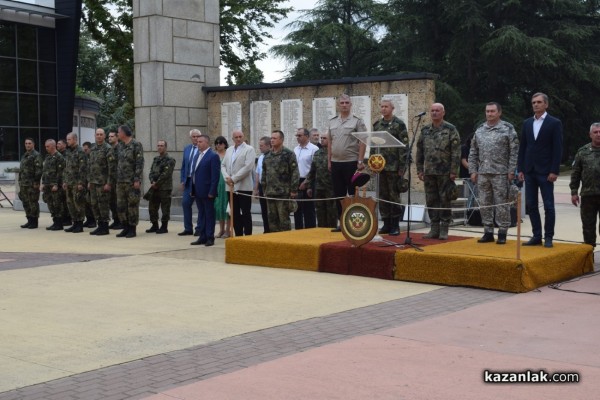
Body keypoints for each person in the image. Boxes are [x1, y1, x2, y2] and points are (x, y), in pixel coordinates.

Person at [517, 92, 563, 248]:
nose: (535, 104)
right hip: (529, 170)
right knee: (531, 205)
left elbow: (557, 148)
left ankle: (548, 237)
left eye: (538, 102)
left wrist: (554, 170)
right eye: (533, 102)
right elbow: (523, 147)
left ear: (546, 104)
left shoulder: (554, 123)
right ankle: (536, 235)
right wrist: (520, 168)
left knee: (549, 206)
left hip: (546, 171)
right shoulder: (527, 123)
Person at [469, 102, 519, 244]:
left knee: (502, 204)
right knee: (484, 204)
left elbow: (514, 151)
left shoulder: (507, 129)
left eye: (492, 111)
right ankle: (488, 231)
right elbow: (473, 152)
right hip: (483, 173)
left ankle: (502, 232)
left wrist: (511, 170)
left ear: (499, 112)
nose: (489, 114)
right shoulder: (480, 130)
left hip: (501, 173)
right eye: (487, 111)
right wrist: (473, 170)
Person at [416, 103, 461, 240]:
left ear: (443, 112)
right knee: (431, 200)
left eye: (437, 110)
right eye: (432, 111)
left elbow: (456, 152)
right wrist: (419, 169)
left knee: (444, 200)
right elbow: (419, 151)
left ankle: (444, 228)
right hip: (429, 172)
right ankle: (434, 228)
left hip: (445, 172)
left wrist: (454, 170)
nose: (434, 113)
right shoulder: (425, 130)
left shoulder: (450, 129)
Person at [327, 94, 367, 231]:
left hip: (351, 161)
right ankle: (342, 222)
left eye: (346, 102)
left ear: (351, 104)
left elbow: (362, 141)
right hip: (336, 162)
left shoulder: (357, 121)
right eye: (342, 103)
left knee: (352, 193)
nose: (344, 105)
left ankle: (354, 223)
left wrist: (360, 160)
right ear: (338, 105)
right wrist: (329, 161)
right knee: (339, 194)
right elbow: (330, 142)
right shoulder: (332, 121)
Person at [372, 99, 409, 236]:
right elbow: (373, 144)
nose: (383, 109)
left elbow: (404, 147)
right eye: (381, 106)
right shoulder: (377, 125)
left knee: (394, 196)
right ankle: (386, 223)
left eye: (386, 106)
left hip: (394, 167)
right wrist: (372, 163)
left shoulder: (399, 124)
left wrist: (402, 166)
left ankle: (395, 225)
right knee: (382, 196)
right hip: (380, 166)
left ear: (392, 108)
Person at [261, 130, 299, 232]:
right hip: (270, 193)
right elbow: (264, 173)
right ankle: (275, 244)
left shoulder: (288, 154)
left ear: (281, 140)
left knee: (284, 221)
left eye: (274, 138)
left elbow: (295, 172)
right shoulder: (267, 156)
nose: (272, 140)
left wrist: (293, 190)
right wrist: (264, 188)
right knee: (272, 221)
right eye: (271, 138)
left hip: (283, 193)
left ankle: (286, 243)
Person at [569, 123, 600, 247]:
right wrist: (574, 192)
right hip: (588, 196)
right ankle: (589, 258)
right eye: (596, 132)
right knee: (588, 228)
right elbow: (575, 173)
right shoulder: (582, 152)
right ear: (590, 135)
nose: (599, 134)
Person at [221, 130, 255, 236]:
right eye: (236, 137)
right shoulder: (230, 150)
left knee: (245, 212)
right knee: (234, 213)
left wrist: (234, 178)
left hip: (244, 186)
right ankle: (238, 234)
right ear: (232, 139)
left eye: (240, 136)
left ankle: (248, 234)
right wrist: (227, 177)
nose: (239, 139)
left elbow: (248, 167)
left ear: (243, 137)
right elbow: (223, 165)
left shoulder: (249, 149)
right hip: (230, 186)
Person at [190, 134, 220, 246]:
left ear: (207, 143)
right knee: (201, 215)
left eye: (200, 142)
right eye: (197, 142)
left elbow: (215, 176)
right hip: (198, 191)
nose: (198, 143)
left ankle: (209, 237)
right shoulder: (197, 156)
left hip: (208, 191)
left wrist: (212, 191)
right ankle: (202, 236)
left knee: (209, 215)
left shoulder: (213, 156)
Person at [115, 125, 144, 238]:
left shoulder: (136, 144)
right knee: (121, 206)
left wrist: (137, 178)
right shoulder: (121, 146)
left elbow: (139, 162)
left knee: (132, 205)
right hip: (120, 181)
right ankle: (125, 227)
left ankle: (132, 228)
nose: (117, 134)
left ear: (123, 133)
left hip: (131, 181)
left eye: (118, 132)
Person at [304, 133, 337, 228]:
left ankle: (331, 232)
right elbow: (312, 171)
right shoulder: (317, 153)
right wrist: (309, 186)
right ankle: (321, 232)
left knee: (331, 212)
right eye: (321, 138)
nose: (321, 140)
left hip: (331, 188)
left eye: (324, 138)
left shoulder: (334, 153)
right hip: (319, 188)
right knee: (320, 211)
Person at [88, 128, 116, 236]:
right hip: (94, 182)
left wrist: (109, 183)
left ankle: (105, 227)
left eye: (101, 134)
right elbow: (90, 166)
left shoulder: (108, 149)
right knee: (94, 204)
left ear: (104, 136)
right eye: (97, 134)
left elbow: (111, 167)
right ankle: (99, 225)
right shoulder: (93, 148)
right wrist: (89, 181)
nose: (99, 136)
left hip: (103, 183)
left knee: (103, 205)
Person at [145, 140, 176, 234]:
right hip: (154, 187)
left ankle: (164, 226)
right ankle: (154, 225)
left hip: (164, 188)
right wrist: (152, 181)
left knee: (165, 208)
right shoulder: (156, 159)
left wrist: (157, 183)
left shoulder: (170, 160)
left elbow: (166, 174)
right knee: (152, 207)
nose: (159, 147)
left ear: (165, 147)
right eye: (158, 145)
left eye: (162, 145)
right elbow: (151, 172)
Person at [62, 132, 88, 233]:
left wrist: (81, 183)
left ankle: (80, 224)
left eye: (69, 139)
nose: (67, 141)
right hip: (69, 182)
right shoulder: (68, 152)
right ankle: (75, 223)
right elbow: (66, 168)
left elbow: (83, 168)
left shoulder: (80, 151)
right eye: (67, 139)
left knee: (78, 203)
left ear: (75, 140)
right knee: (70, 204)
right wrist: (64, 180)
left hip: (77, 183)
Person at [294, 128, 319, 229]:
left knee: (309, 209)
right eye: (297, 136)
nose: (297, 138)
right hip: (296, 180)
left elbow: (315, 168)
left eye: (300, 136)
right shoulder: (296, 149)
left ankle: (310, 231)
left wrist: (308, 183)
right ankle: (298, 230)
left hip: (309, 180)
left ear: (307, 136)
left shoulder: (314, 149)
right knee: (297, 208)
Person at [179, 129, 201, 236]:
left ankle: (199, 228)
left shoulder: (203, 149)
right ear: (191, 138)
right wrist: (182, 180)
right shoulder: (187, 149)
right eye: (194, 137)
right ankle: (188, 228)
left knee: (200, 206)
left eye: (198, 136)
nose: (196, 138)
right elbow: (183, 166)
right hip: (188, 181)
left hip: (199, 182)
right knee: (185, 203)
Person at [41, 139, 65, 231]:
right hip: (47, 185)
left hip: (55, 186)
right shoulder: (47, 157)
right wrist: (43, 183)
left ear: (53, 146)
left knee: (57, 204)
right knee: (50, 204)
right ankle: (55, 222)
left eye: (48, 146)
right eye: (46, 146)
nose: (46, 148)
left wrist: (56, 184)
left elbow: (61, 172)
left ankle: (59, 223)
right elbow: (45, 171)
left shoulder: (59, 157)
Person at [18, 138, 43, 229]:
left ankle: (34, 221)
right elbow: (22, 170)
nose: (27, 145)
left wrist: (36, 182)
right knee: (25, 202)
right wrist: (20, 181)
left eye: (29, 143)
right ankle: (29, 220)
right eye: (26, 143)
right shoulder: (24, 155)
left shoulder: (36, 155)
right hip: (24, 184)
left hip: (32, 184)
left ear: (33, 144)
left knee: (33, 202)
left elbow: (39, 170)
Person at [214, 136, 231, 238]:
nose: (218, 145)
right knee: (219, 206)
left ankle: (228, 230)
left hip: (226, 182)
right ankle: (221, 229)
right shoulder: (214, 155)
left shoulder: (228, 154)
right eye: (216, 143)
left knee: (227, 207)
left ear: (224, 144)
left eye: (220, 143)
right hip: (216, 183)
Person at [254, 136, 271, 233]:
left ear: (268, 146)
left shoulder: (272, 156)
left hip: (270, 187)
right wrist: (255, 189)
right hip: (262, 186)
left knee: (271, 211)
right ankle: (266, 230)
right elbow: (257, 173)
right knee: (264, 210)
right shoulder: (261, 157)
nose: (260, 147)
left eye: (262, 145)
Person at [107, 131, 122, 230]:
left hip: (118, 179)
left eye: (112, 136)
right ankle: (116, 220)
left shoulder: (119, 149)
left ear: (117, 137)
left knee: (118, 202)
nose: (110, 138)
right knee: (112, 202)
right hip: (111, 179)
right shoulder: (110, 150)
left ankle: (120, 221)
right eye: (109, 136)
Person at [56, 138, 71, 226]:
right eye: (57, 144)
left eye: (59, 144)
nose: (58, 145)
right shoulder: (57, 155)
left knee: (66, 201)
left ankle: (68, 219)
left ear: (65, 145)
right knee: (61, 201)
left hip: (65, 181)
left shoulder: (67, 154)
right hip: (59, 181)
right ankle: (63, 218)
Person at [81, 141, 96, 228]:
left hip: (91, 183)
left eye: (86, 149)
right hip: (85, 182)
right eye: (84, 150)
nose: (85, 151)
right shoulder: (85, 158)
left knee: (91, 203)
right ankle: (89, 219)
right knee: (85, 202)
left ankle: (93, 221)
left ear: (90, 149)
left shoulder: (93, 158)